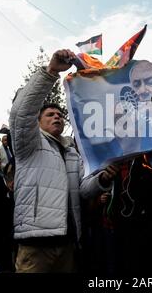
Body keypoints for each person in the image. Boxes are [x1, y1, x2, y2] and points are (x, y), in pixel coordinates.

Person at [9, 49, 118, 273]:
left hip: (69, 242)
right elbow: (22, 113)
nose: (57, 116)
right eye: (49, 115)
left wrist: (102, 179)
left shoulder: (71, 152)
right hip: (36, 244)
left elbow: (83, 190)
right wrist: (50, 72)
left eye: (59, 115)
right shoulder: (28, 144)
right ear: (36, 123)